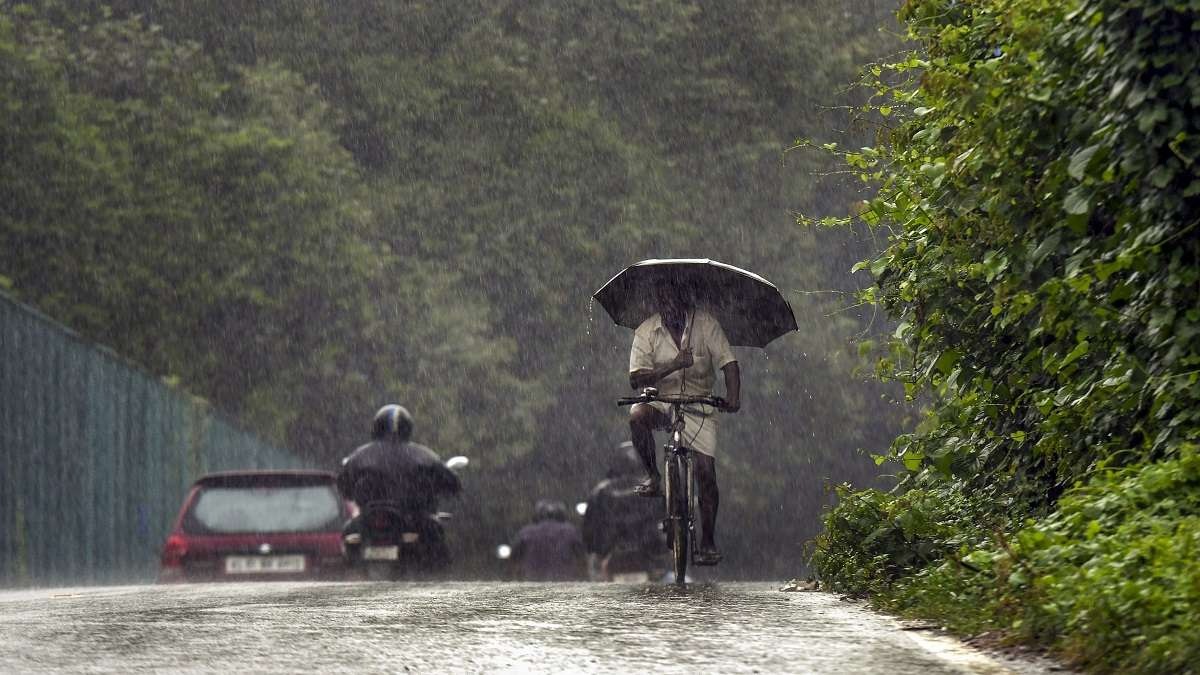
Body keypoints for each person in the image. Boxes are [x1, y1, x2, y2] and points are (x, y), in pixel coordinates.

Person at [627, 282, 740, 566]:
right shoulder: (646, 330)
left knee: (706, 473)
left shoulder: (707, 325)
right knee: (637, 416)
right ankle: (653, 476)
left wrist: (733, 397)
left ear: (686, 304)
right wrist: (674, 365)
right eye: (664, 305)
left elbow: (729, 363)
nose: (670, 310)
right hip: (662, 400)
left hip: (699, 404)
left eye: (675, 304)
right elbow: (636, 379)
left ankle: (708, 540)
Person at [582, 442, 666, 581]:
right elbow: (665, 522)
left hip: (611, 555)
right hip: (648, 554)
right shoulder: (654, 490)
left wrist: (597, 549)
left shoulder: (600, 491)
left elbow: (589, 531)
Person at [510, 499, 587, 581]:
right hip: (564, 580)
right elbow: (581, 557)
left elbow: (514, 558)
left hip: (532, 578)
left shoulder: (526, 532)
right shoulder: (571, 531)